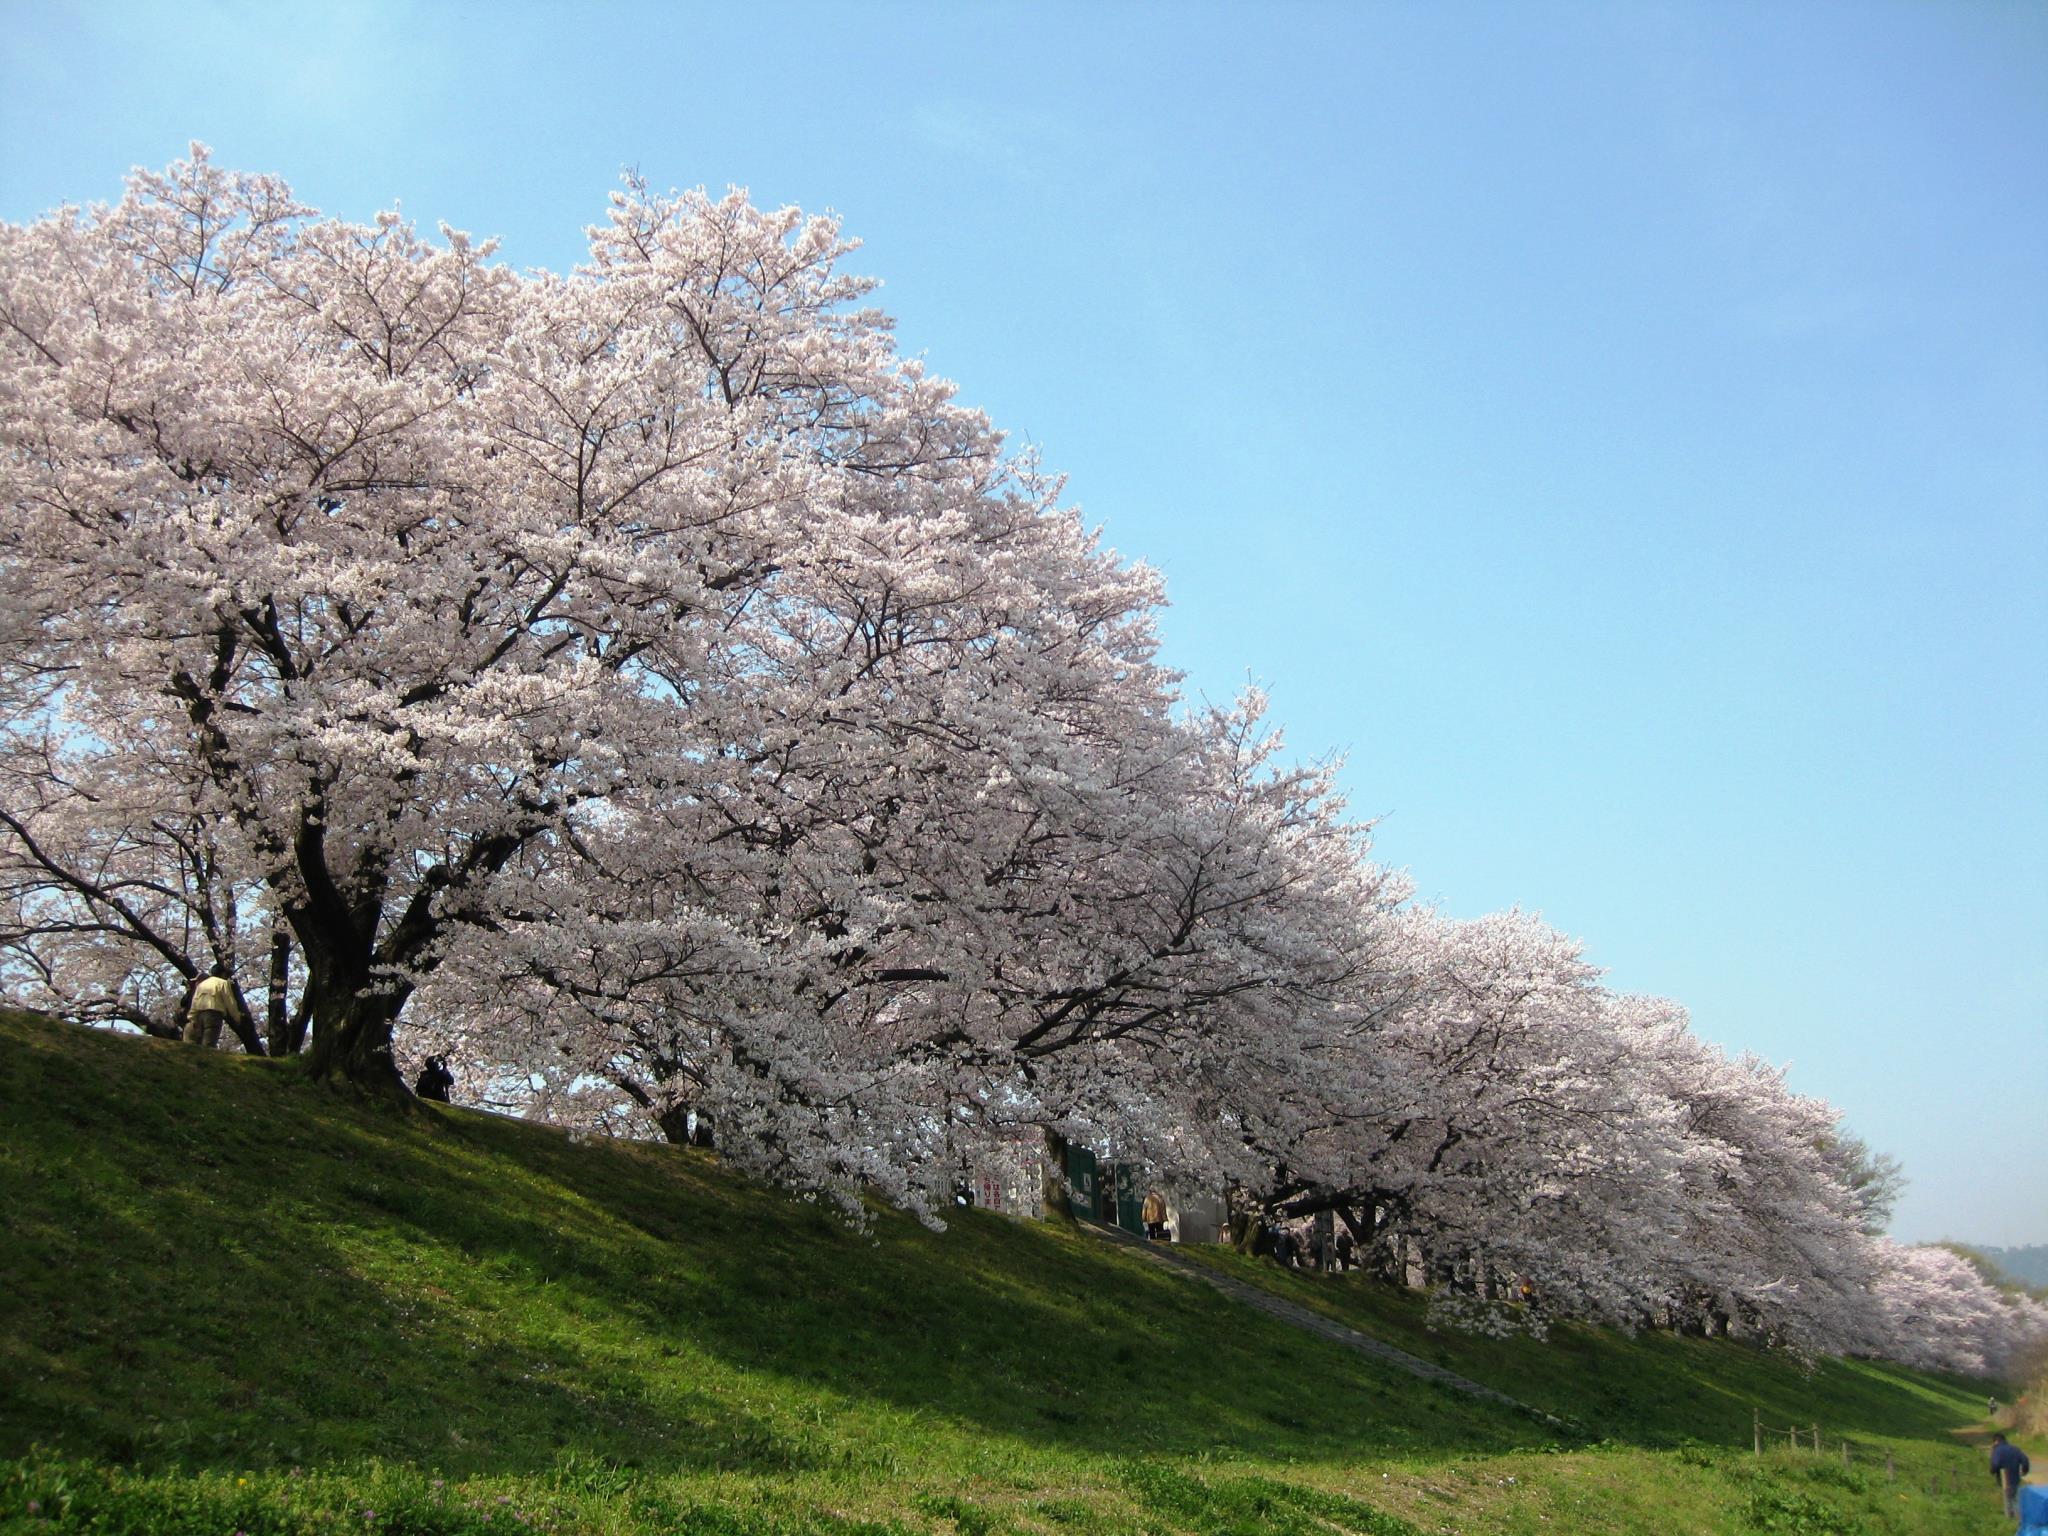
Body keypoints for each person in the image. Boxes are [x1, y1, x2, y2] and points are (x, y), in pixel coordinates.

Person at [183, 964, 240, 1048]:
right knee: (209, 1043)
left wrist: (192, 1017)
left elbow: (195, 1001)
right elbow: (230, 1001)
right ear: (223, 974)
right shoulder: (223, 982)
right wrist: (237, 1017)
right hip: (214, 1014)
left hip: (199, 1015)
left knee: (199, 1042)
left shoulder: (202, 984)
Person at [1991, 1433, 2032, 1520]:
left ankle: (2010, 1518)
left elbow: (1995, 1464)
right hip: (2015, 1478)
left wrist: (1992, 1471)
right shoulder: (2014, 1449)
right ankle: (2019, 1518)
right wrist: (2025, 1470)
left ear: (1996, 1441)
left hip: (2004, 1478)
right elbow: (2025, 1460)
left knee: (2008, 1499)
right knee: (2015, 1499)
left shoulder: (1997, 1450)